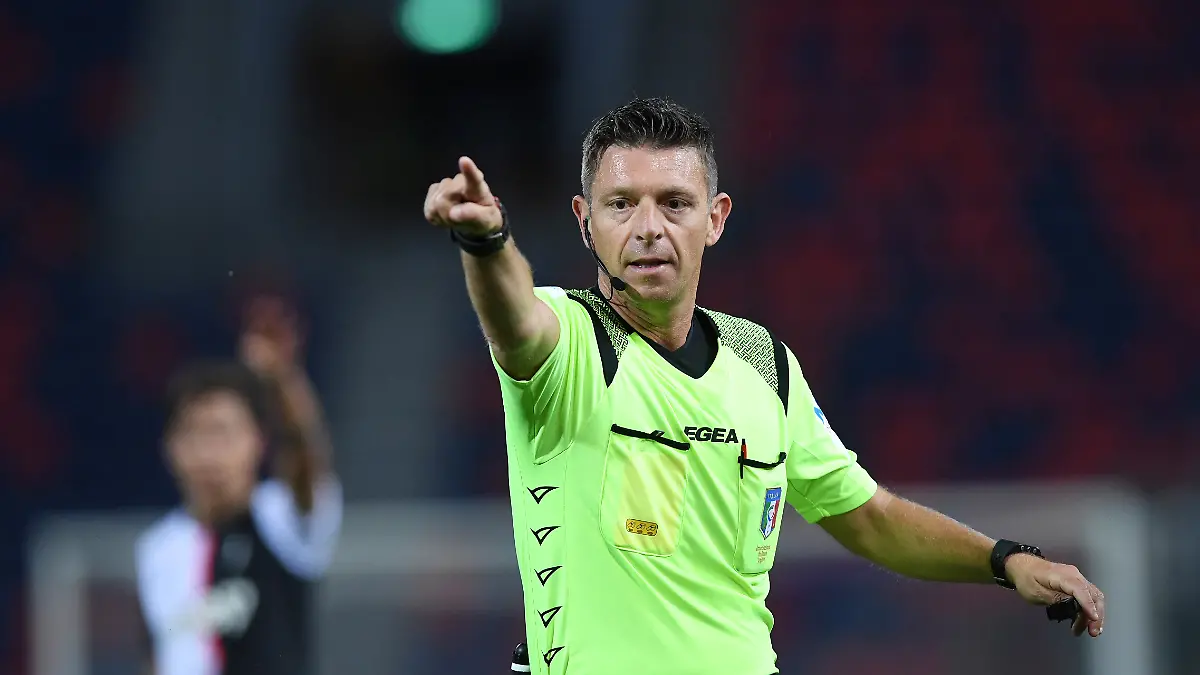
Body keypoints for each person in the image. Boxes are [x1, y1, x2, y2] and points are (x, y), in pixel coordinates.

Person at [423, 97, 1106, 675]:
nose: (649, 227)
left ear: (715, 218)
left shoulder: (763, 363)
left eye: (675, 203)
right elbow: (514, 319)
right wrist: (487, 242)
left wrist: (1005, 559)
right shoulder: (571, 343)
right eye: (621, 204)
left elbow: (868, 515)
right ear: (584, 220)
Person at [134, 298, 342, 675]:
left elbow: (306, 458)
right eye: (195, 433)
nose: (210, 453)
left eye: (224, 433)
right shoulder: (157, 549)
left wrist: (282, 380)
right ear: (170, 447)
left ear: (258, 442)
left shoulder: (281, 519)